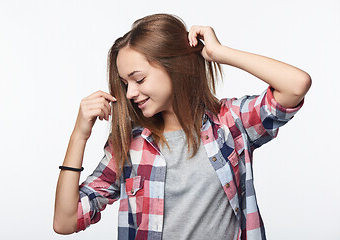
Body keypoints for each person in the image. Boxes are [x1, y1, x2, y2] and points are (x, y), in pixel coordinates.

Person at [53, 13, 311, 240]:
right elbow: (66, 222)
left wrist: (219, 53)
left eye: (139, 79)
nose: (130, 92)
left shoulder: (231, 123)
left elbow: (296, 85)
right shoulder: (130, 144)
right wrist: (79, 136)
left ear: (175, 66)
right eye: (125, 83)